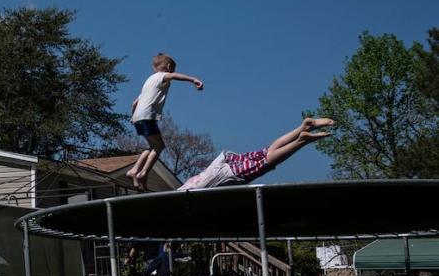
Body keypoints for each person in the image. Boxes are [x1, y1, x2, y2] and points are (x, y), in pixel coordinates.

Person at [178, 117, 335, 191]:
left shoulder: (178, 201)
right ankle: (303, 127)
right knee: (267, 152)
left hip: (223, 175)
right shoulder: (180, 189)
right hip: (221, 161)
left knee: (266, 163)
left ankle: (301, 141)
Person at [126, 53, 204, 190]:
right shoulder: (162, 76)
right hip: (147, 116)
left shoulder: (148, 81)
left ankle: (134, 170)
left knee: (152, 146)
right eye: (172, 69)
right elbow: (173, 76)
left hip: (138, 117)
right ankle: (142, 174)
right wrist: (194, 80)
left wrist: (133, 117)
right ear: (169, 67)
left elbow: (134, 103)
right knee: (159, 146)